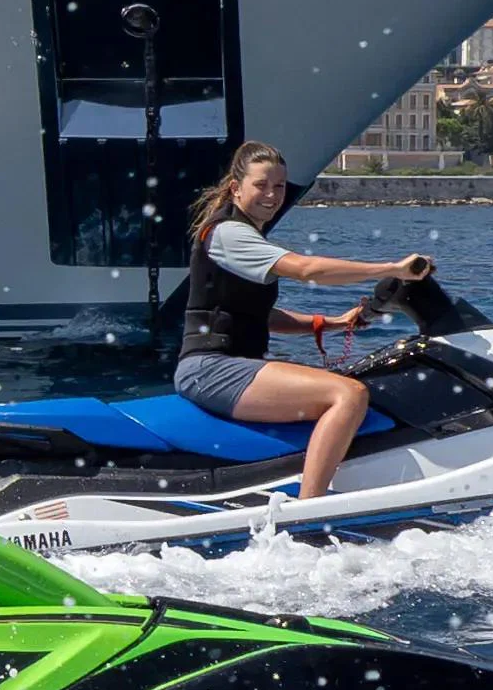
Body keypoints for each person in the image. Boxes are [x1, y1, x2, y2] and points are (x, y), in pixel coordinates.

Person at [173, 140, 458, 508]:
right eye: (261, 185)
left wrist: (331, 323)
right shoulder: (228, 233)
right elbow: (308, 269)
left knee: (353, 385)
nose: (272, 195)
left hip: (228, 365)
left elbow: (254, 315)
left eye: (279, 186)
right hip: (211, 369)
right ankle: (309, 512)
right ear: (236, 188)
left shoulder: (246, 236)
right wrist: (392, 269)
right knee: (348, 395)